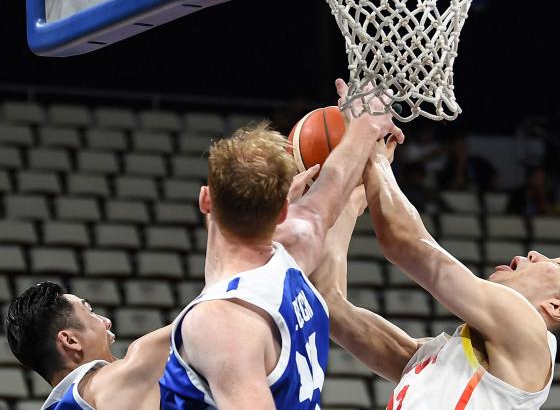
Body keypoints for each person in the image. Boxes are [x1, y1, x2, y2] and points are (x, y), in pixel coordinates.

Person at [311, 138, 560, 409]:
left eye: (556, 264)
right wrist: (349, 200)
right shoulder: (438, 357)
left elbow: (404, 244)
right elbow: (329, 306)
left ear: (558, 308)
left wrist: (371, 149)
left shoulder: (532, 334)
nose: (534, 254)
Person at [159, 79, 404, 410]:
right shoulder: (300, 248)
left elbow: (333, 192)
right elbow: (333, 187)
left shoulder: (221, 320)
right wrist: (366, 125)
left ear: (205, 199)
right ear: (284, 209)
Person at [4, 281, 172, 410]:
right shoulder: (114, 379)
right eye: (90, 312)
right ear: (70, 341)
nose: (107, 322)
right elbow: (197, 315)